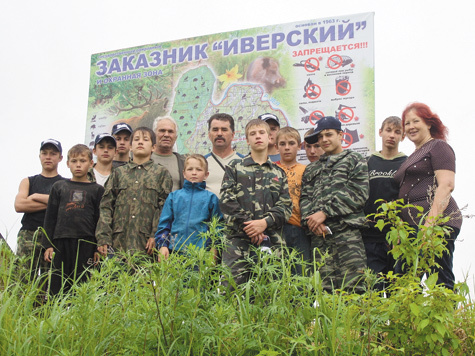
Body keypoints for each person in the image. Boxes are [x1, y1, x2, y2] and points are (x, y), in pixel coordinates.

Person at [394, 103, 462, 290]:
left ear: (429, 124)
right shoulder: (412, 156)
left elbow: (446, 185)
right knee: (405, 281)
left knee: (438, 277)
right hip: (411, 226)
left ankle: (446, 318)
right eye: (407, 123)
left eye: (416, 121)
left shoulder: (438, 146)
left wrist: (430, 224)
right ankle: (410, 320)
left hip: (435, 223)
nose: (411, 127)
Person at [220, 119, 292, 289]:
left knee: (270, 295)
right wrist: (250, 227)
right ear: (247, 140)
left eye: (261, 133)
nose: (257, 137)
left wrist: (263, 223)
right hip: (238, 242)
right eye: (253, 134)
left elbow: (286, 207)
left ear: (269, 138)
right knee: (232, 292)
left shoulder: (278, 172)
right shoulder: (235, 167)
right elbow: (226, 200)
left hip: (271, 243)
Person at [300, 116, 369, 293]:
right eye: (320, 136)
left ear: (341, 135)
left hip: (347, 236)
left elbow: (358, 193)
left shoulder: (355, 160)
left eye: (329, 134)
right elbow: (305, 198)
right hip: (320, 237)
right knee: (325, 292)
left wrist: (325, 213)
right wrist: (311, 221)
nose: (324, 140)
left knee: (355, 289)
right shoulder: (312, 169)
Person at [96, 127, 173, 258]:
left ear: (153, 147)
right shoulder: (118, 173)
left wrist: (155, 235)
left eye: (145, 139)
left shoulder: (161, 173)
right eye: (136, 139)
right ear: (130, 147)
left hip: (146, 245)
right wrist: (104, 237)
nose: (140, 142)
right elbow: (106, 206)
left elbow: (164, 207)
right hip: (118, 243)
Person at [43, 144, 104, 295]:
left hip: (86, 243)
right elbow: (50, 217)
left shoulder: (97, 190)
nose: (78, 165)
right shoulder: (59, 187)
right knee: (57, 286)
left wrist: (97, 247)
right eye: (74, 161)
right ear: (68, 163)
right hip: (60, 242)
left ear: (91, 163)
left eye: (82, 161)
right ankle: (57, 316)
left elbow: (99, 219)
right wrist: (48, 245)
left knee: (82, 286)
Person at [362, 116, 407, 292]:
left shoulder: (406, 164)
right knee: (373, 290)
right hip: (370, 238)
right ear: (380, 132)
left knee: (397, 292)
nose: (392, 136)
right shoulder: (367, 162)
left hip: (397, 238)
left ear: (402, 137)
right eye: (388, 130)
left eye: (397, 132)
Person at [14, 139, 64, 281]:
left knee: (49, 282)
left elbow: (66, 204)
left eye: (53, 153)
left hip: (53, 237)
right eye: (44, 153)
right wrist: (54, 202)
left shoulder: (64, 184)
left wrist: (35, 197)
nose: (48, 157)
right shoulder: (28, 181)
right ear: (39, 156)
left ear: (60, 157)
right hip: (29, 235)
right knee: (23, 280)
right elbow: (19, 205)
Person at [155, 154, 222, 261]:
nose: (194, 172)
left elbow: (217, 228)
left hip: (201, 254)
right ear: (184, 173)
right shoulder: (174, 197)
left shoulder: (211, 199)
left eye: (199, 169)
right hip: (175, 252)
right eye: (190, 169)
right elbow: (164, 224)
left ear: (206, 175)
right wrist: (162, 245)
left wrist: (214, 249)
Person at [275, 127, 310, 275]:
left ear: (299, 146)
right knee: (276, 275)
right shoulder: (271, 169)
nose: (287, 148)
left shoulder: (306, 170)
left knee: (302, 276)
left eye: (291, 143)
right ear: (276, 146)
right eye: (282, 144)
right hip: (275, 229)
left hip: (299, 228)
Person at [204, 113, 244, 198]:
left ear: (233, 135)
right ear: (209, 135)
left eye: (224, 130)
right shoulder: (201, 163)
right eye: (215, 130)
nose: (219, 133)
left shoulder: (245, 162)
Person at [151, 116, 185, 191]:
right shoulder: (145, 160)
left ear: (175, 137)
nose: (166, 135)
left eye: (170, 131)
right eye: (162, 131)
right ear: (154, 135)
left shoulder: (183, 163)